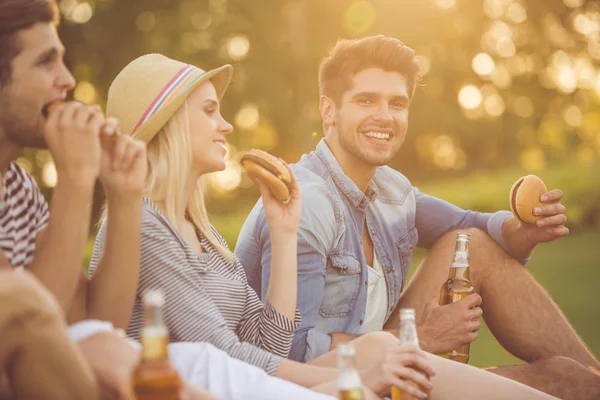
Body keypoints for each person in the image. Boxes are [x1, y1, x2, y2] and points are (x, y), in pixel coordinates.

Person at [97, 52, 560, 400]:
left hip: (257, 373)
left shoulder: (201, 230)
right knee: (390, 356)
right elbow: (226, 356)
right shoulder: (145, 225)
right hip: (212, 385)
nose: (226, 126)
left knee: (382, 345)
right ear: (170, 122)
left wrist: (283, 231)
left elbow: (267, 339)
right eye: (209, 111)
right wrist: (346, 380)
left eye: (396, 103)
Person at [234, 35, 600, 400]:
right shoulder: (307, 203)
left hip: (385, 365)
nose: (385, 116)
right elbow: (287, 356)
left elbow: (469, 226)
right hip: (323, 386)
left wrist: (525, 229)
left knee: (475, 246)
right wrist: (420, 338)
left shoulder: (392, 191)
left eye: (397, 103)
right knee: (561, 383)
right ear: (328, 110)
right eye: (366, 100)